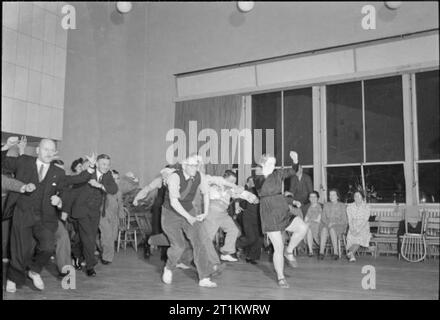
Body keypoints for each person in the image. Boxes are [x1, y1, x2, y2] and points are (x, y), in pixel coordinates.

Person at [1, 137, 95, 293]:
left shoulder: (58, 172)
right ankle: (13, 278)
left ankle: (34, 270)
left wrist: (90, 168)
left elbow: (73, 180)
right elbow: (3, 163)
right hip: (23, 213)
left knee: (48, 247)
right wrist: (7, 147)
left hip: (44, 217)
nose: (49, 152)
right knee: (20, 250)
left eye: (52, 150)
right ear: (38, 150)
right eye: (46, 149)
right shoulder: (24, 161)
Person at [161, 154, 223, 288]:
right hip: (170, 213)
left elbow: (206, 193)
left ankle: (204, 277)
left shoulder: (199, 176)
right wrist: (188, 217)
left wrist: (205, 213)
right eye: (192, 165)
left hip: (189, 210)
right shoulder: (175, 177)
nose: (195, 167)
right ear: (184, 166)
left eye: (197, 165)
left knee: (199, 241)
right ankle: (169, 267)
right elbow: (174, 202)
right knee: (178, 246)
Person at [254, 151, 308, 288]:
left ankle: (289, 251)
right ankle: (281, 277)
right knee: (278, 247)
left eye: (274, 163)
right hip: (269, 214)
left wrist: (295, 161)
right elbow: (265, 191)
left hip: (282, 209)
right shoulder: (258, 178)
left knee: (303, 227)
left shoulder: (277, 174)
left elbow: (293, 170)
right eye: (271, 163)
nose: (274, 166)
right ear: (263, 163)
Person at [70, 154, 118, 277]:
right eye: (103, 164)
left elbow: (114, 189)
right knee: (89, 238)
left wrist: (100, 185)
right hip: (81, 210)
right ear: (97, 164)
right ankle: (90, 266)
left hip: (95, 212)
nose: (106, 167)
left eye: (108, 164)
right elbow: (75, 183)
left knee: (84, 237)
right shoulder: (88, 172)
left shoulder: (107, 175)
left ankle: (76, 255)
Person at [203, 170, 258, 262]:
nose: (232, 183)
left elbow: (242, 193)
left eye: (234, 182)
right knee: (208, 237)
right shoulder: (213, 184)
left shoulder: (230, 189)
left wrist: (253, 198)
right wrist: (227, 184)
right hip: (213, 212)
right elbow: (206, 179)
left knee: (234, 230)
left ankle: (226, 252)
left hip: (223, 213)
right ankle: (200, 257)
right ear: (225, 178)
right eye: (231, 181)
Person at [99, 169, 124, 264]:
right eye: (113, 178)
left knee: (113, 237)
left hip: (115, 217)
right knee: (107, 237)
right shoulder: (103, 190)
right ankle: (106, 257)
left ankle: (102, 250)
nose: (115, 180)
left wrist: (121, 219)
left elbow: (120, 205)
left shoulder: (119, 191)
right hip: (104, 216)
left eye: (117, 178)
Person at [236, 176, 263, 264]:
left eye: (255, 181)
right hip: (248, 217)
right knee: (251, 238)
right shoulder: (249, 191)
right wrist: (237, 206)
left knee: (258, 239)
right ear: (248, 183)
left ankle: (251, 257)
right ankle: (234, 244)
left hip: (258, 218)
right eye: (252, 181)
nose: (254, 183)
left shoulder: (262, 191)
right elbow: (238, 197)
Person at [318, 189, 347, 260]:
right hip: (327, 224)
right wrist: (328, 223)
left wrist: (334, 223)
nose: (331, 196)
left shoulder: (342, 205)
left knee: (332, 229)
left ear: (337, 196)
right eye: (330, 195)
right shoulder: (326, 205)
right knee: (324, 229)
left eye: (333, 195)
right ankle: (321, 252)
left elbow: (344, 220)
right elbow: (323, 217)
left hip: (339, 225)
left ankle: (335, 252)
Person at [346, 191, 371, 262]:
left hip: (363, 227)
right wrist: (352, 229)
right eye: (355, 196)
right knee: (351, 236)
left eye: (359, 196)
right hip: (353, 226)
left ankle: (350, 253)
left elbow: (365, 220)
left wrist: (358, 230)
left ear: (362, 197)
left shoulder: (367, 206)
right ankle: (351, 254)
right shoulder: (350, 207)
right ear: (353, 198)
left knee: (359, 237)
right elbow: (349, 219)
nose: (357, 198)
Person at [302, 191, 322, 256]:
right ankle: (310, 251)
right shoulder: (309, 208)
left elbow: (318, 220)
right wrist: (306, 222)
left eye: (314, 197)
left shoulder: (319, 207)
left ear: (317, 198)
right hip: (310, 225)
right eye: (311, 197)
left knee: (308, 227)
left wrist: (308, 222)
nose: (312, 198)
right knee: (308, 229)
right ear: (309, 198)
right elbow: (306, 219)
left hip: (318, 225)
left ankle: (316, 245)